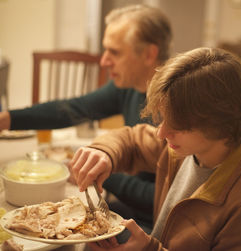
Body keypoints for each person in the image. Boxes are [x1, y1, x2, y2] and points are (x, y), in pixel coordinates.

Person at [70, 47, 241, 250]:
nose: (162, 133)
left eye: (178, 126)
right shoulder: (193, 148)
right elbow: (133, 140)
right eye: (163, 119)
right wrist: (104, 152)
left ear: (220, 123)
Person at [0, 4, 172, 230]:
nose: (103, 61)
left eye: (115, 52)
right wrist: (7, 119)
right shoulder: (130, 86)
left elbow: (166, 200)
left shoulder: (176, 105)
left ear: (149, 54)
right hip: (129, 209)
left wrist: (100, 173)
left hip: (155, 227)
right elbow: (74, 108)